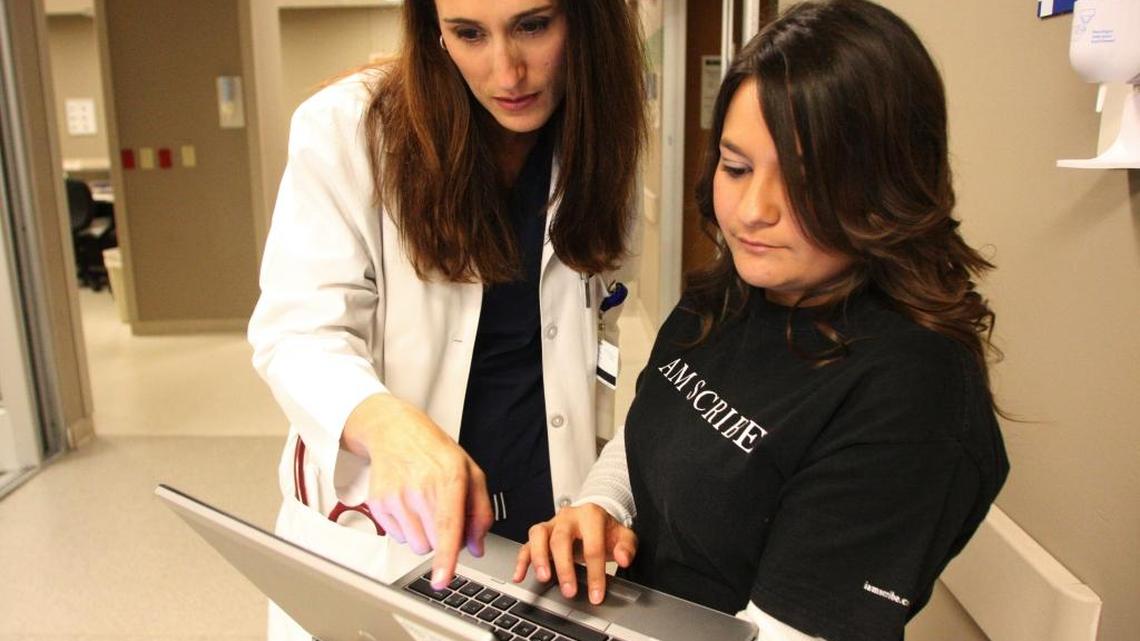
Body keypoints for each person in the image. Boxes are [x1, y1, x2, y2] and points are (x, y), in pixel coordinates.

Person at [513, 1, 1010, 640]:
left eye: (804, 180)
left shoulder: (914, 393)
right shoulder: (732, 291)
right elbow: (649, 434)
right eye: (736, 167)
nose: (751, 211)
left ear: (888, 183)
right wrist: (603, 507)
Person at [247, 0, 645, 638]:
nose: (506, 71)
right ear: (434, 29)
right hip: (384, 529)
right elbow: (297, 332)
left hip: (543, 526)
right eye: (469, 35)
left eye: (533, 26)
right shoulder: (349, 129)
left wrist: (599, 482)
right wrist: (387, 427)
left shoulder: (602, 140)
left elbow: (603, 323)